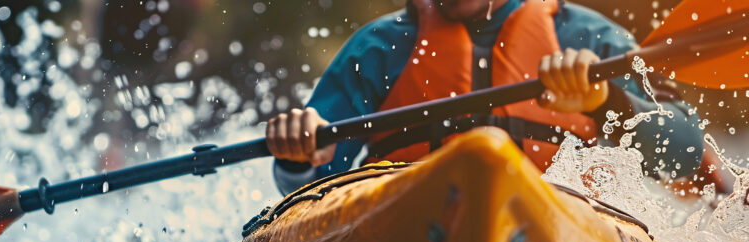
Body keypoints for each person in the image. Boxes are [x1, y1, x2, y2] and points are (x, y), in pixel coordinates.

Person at [266, 0, 704, 195]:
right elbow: (310, 190)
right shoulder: (378, 49)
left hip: (563, 221)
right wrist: (296, 155)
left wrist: (604, 102)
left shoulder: (587, 35)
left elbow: (684, 153)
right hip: (411, 222)